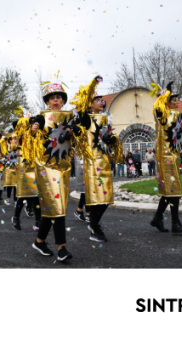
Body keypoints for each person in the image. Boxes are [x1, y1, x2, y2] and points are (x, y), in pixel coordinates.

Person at [25, 75, 91, 261]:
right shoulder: (41, 117)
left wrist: (77, 129)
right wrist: (33, 129)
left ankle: (39, 241)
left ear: (63, 100)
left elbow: (81, 133)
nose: (56, 100)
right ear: (47, 101)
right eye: (52, 97)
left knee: (54, 207)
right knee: (58, 207)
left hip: (63, 167)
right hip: (45, 167)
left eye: (59, 97)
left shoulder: (70, 116)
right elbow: (30, 136)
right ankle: (62, 248)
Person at [73, 80, 122, 243]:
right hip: (92, 162)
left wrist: (111, 139)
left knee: (107, 198)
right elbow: (80, 112)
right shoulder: (86, 119)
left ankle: (94, 224)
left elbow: (107, 137)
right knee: (96, 196)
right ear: (90, 104)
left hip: (105, 160)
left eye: (101, 100)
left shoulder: (105, 118)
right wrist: (92, 85)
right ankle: (94, 227)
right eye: (97, 100)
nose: (101, 102)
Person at [149, 82, 182, 233]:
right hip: (164, 156)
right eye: (174, 99)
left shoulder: (175, 115)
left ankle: (157, 218)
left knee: (169, 191)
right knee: (174, 189)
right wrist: (165, 93)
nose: (177, 101)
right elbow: (158, 108)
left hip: (174, 155)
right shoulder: (162, 116)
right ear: (167, 101)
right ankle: (175, 223)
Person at [11, 110, 42, 231]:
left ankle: (38, 220)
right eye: (30, 122)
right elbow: (14, 144)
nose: (32, 124)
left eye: (33, 122)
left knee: (36, 195)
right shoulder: (19, 135)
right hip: (24, 167)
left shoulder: (38, 134)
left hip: (36, 165)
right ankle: (16, 217)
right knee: (23, 195)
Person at [3, 133, 19, 205]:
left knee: (16, 184)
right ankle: (8, 198)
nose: (15, 141)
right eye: (13, 139)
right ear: (9, 141)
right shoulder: (6, 148)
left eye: (16, 139)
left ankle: (15, 200)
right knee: (9, 184)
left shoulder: (19, 148)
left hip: (17, 168)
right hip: (9, 167)